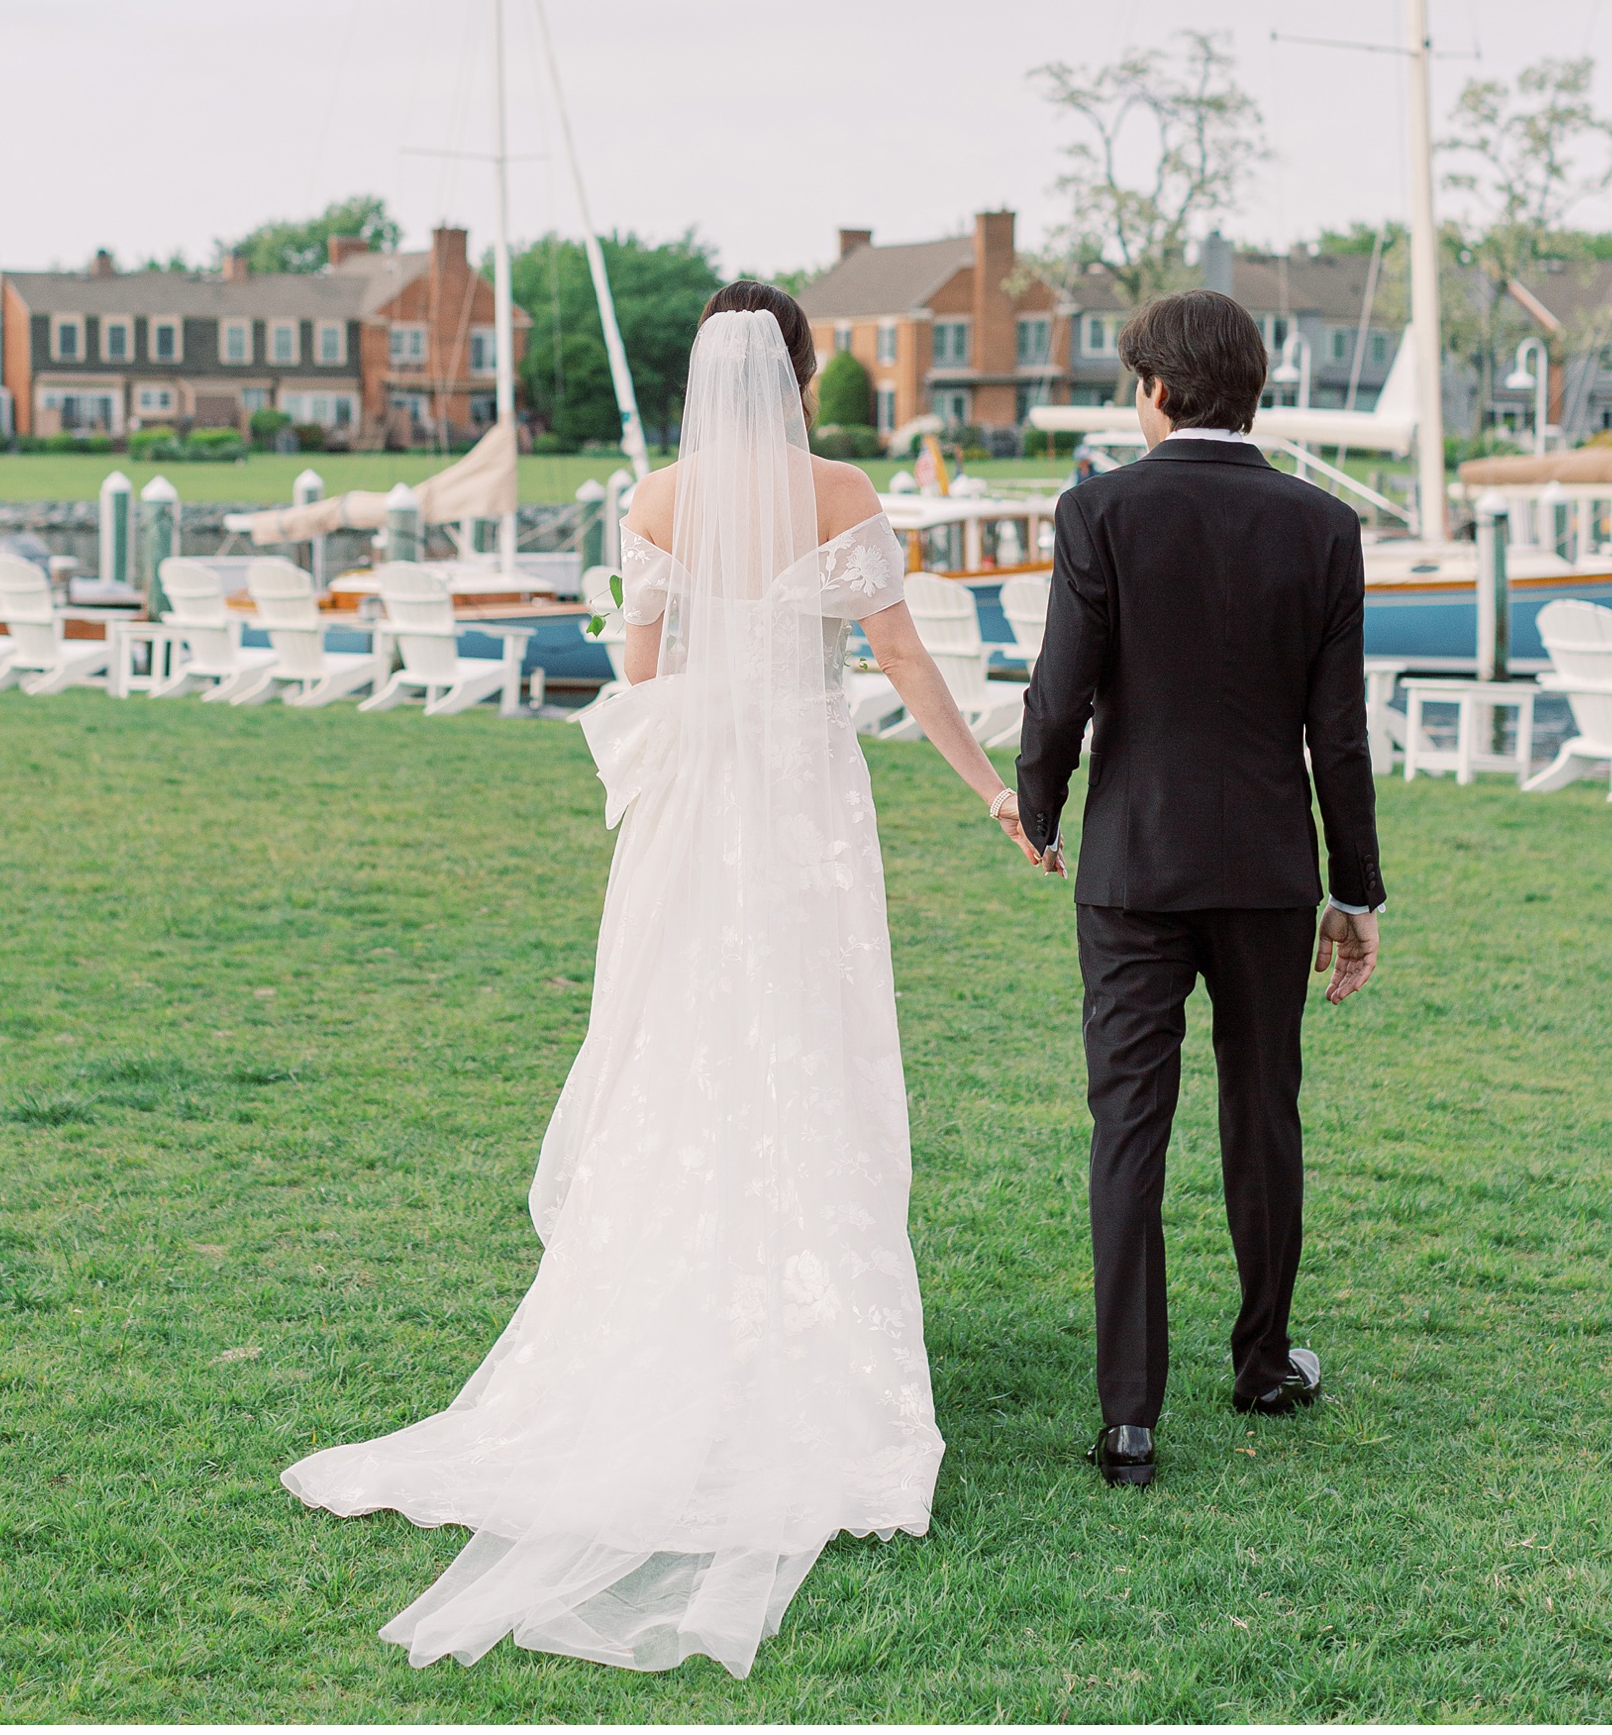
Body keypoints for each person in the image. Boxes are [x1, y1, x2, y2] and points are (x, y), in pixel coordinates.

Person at [283, 284, 1056, 1676]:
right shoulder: (839, 488)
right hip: (806, 801)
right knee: (807, 1046)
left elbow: (635, 677)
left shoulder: (653, 498)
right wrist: (989, 785)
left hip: (697, 796)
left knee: (687, 1045)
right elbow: (900, 658)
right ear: (804, 374)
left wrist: (648, 812)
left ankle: (685, 1306)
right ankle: (807, 1337)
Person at [1013, 288, 1384, 1491]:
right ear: (1251, 391)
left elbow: (1058, 692)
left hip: (1130, 865)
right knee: (1261, 1112)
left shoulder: (1099, 510)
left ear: (1158, 392)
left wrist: (1036, 807)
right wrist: (1355, 893)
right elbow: (1338, 737)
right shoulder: (1322, 527)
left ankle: (1128, 1418)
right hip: (1269, 871)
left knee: (1127, 1125)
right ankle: (1264, 1359)